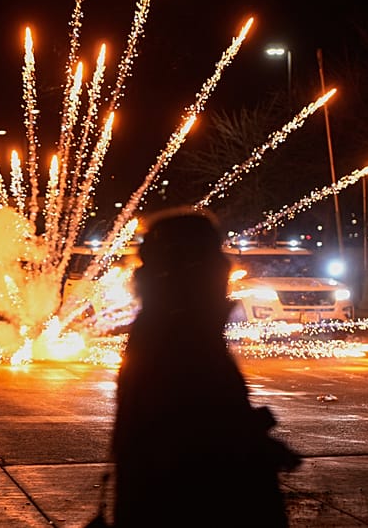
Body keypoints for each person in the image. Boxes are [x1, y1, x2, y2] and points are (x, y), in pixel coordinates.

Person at [111, 207, 300, 527]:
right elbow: (189, 438)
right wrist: (251, 446)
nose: (225, 266)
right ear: (190, 267)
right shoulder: (179, 334)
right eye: (213, 254)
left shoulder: (176, 326)